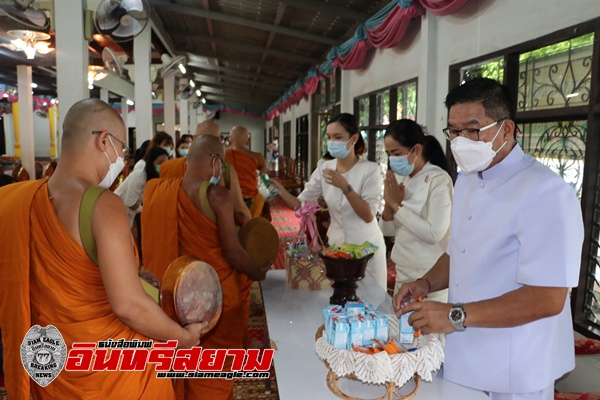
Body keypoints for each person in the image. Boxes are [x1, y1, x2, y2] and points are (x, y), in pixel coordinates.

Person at [0, 99, 207, 399]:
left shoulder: (19, 202)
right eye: (122, 151)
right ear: (103, 140)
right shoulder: (102, 203)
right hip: (113, 372)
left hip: (55, 368)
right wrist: (183, 337)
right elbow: (127, 306)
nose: (122, 161)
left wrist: (134, 275)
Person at [394, 78, 584, 400]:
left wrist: (455, 314)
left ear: (506, 129)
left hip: (516, 364)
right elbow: (459, 254)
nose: (460, 141)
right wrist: (426, 282)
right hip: (463, 351)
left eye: (472, 130)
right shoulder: (467, 180)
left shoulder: (545, 192)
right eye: (453, 132)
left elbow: (549, 297)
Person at [142, 135, 269, 400]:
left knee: (190, 362)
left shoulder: (160, 191)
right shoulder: (217, 195)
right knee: (218, 369)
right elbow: (233, 252)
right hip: (217, 298)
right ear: (215, 162)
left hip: (180, 296)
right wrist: (257, 274)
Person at [272, 113, 387, 291]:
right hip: (337, 248)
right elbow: (300, 204)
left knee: (371, 302)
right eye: (329, 137)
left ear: (354, 138)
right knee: (340, 301)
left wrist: (345, 187)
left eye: (338, 137)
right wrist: (280, 189)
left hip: (366, 249)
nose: (332, 142)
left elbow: (368, 215)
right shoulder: (324, 167)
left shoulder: (370, 170)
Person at [379, 119, 453, 300]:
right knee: (400, 326)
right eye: (388, 154)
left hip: (429, 279)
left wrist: (397, 206)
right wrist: (390, 204)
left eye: (396, 153)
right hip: (403, 273)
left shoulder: (438, 180)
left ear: (417, 150)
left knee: (424, 328)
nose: (392, 160)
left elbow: (434, 233)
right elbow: (387, 230)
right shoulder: (402, 178)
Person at [160, 120, 251, 226]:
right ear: (218, 140)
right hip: (212, 239)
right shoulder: (224, 169)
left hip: (174, 238)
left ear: (194, 139)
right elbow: (241, 213)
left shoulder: (168, 167)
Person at [115, 147, 169, 227]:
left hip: (128, 214)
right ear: (151, 162)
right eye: (160, 163)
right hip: (117, 210)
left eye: (166, 163)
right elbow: (130, 203)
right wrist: (149, 211)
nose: (163, 166)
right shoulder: (140, 175)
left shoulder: (156, 178)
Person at [225, 125, 268, 207]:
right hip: (252, 200)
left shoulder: (224, 156)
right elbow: (264, 182)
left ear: (230, 140)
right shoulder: (258, 157)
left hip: (230, 201)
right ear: (248, 141)